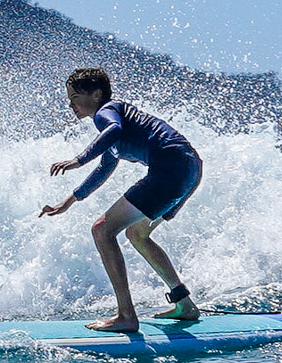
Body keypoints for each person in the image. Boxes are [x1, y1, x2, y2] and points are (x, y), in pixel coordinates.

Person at [39, 67, 203, 332]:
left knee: (102, 230)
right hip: (190, 169)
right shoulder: (119, 123)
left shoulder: (107, 112)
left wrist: (78, 160)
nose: (71, 104)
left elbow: (113, 130)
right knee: (137, 234)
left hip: (170, 169)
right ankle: (184, 303)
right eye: (69, 98)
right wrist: (69, 201)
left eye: (76, 96)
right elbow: (105, 167)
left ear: (97, 95)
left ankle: (126, 316)